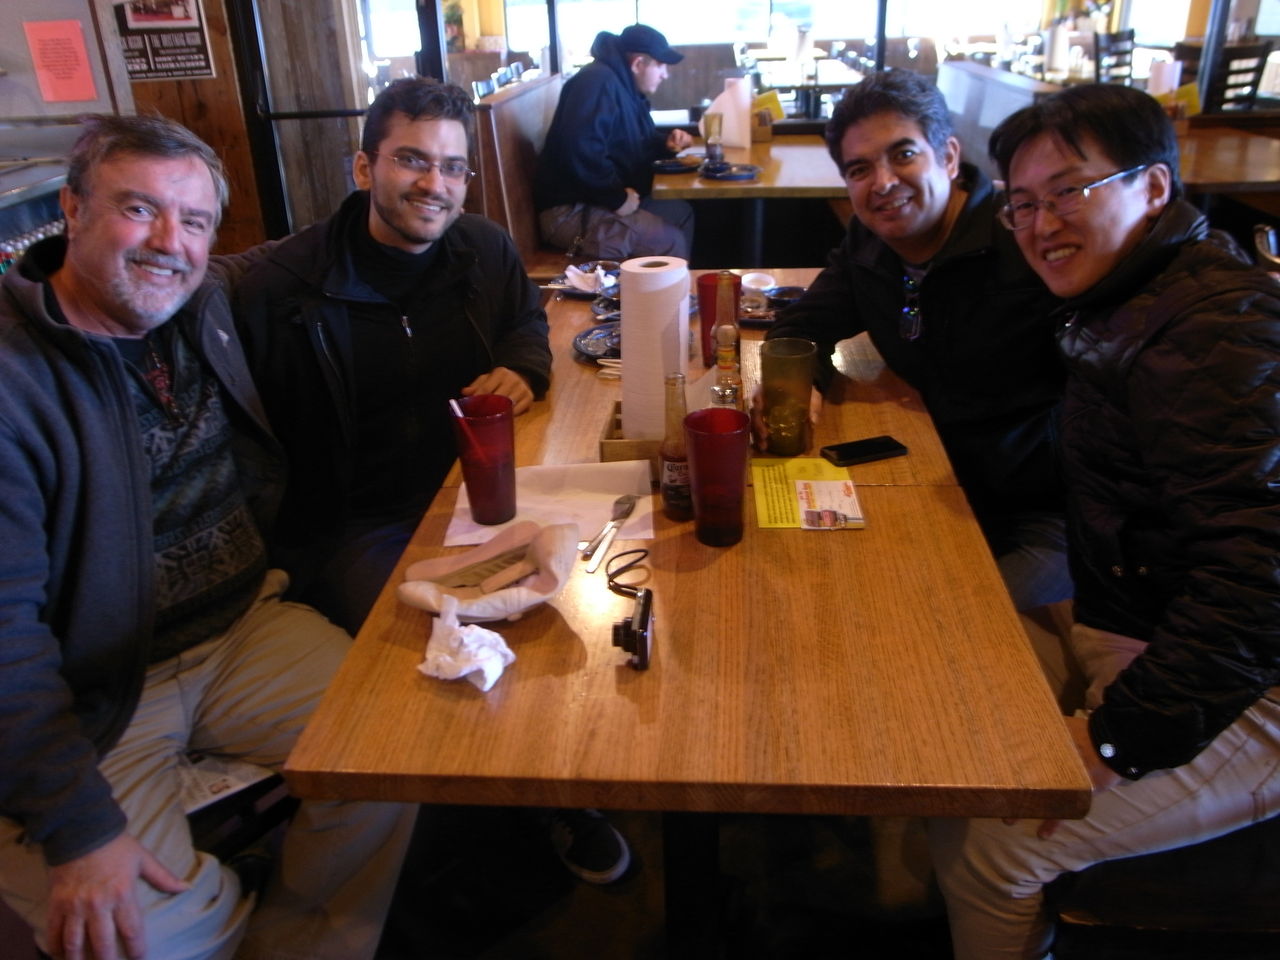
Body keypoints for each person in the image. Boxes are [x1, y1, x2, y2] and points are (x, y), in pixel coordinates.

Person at [0, 114, 415, 960]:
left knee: (401, 749)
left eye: (194, 221)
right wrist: (78, 830)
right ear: (71, 210)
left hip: (245, 629)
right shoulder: (16, 382)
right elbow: (4, 640)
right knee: (137, 938)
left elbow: (299, 252)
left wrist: (431, 210)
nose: (169, 242)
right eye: (138, 209)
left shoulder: (202, 301)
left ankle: (295, 937)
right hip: (100, 695)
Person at [235, 78, 628, 886]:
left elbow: (526, 321)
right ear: (363, 168)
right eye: (411, 160)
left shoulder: (482, 248)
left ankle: (558, 770)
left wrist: (523, 366)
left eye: (452, 167)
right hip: (362, 522)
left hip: (480, 490)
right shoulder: (286, 286)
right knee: (461, 638)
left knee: (587, 593)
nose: (434, 184)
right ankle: (530, 796)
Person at [929, 83, 1280, 960]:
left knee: (993, 844)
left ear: (1153, 187)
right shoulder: (1131, 297)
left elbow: (1259, 584)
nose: (1042, 224)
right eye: (1022, 203)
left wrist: (1116, 739)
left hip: (1253, 690)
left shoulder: (1217, 331)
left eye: (1069, 191)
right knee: (947, 688)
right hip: (1142, 622)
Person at [766, 70, 1070, 614]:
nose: (882, 182)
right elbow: (802, 327)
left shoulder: (1023, 239)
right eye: (859, 169)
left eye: (903, 154)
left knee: (935, 627)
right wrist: (801, 385)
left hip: (1040, 512)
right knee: (808, 588)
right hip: (928, 476)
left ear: (948, 157)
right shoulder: (870, 242)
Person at [534, 24, 695, 261]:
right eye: (661, 65)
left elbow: (634, 142)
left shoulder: (625, 89)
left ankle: (673, 284)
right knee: (668, 240)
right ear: (638, 64)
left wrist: (665, 144)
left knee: (681, 213)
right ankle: (663, 285)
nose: (665, 74)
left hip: (596, 199)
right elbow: (580, 151)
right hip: (567, 212)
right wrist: (616, 198)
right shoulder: (596, 82)